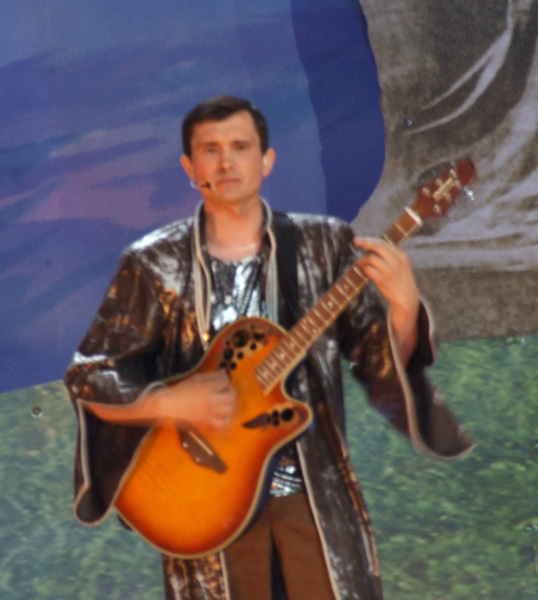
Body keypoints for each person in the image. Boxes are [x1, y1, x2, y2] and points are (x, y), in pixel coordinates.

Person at [65, 95, 472, 600]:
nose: (226, 162)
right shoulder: (153, 264)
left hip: (315, 501)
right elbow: (90, 373)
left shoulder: (324, 245)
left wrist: (406, 309)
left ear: (267, 160)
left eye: (240, 146)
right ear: (189, 168)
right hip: (205, 503)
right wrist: (169, 401)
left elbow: (379, 364)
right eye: (210, 150)